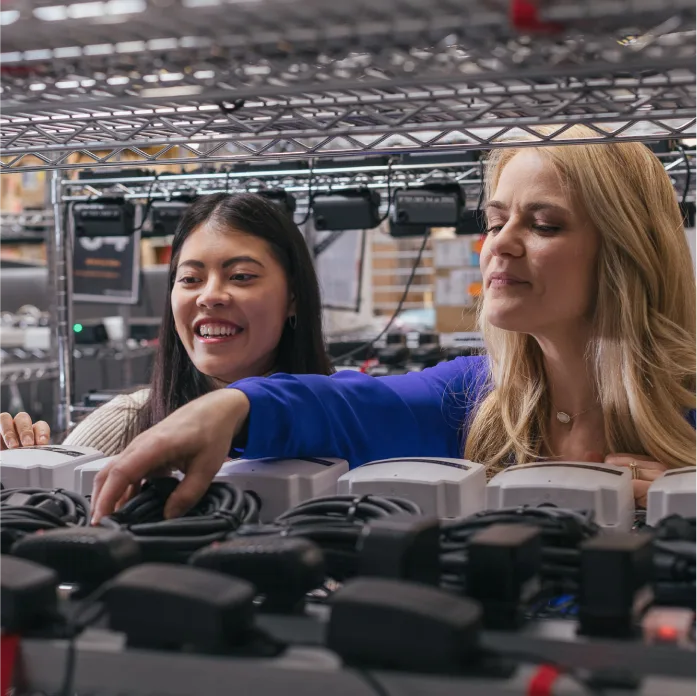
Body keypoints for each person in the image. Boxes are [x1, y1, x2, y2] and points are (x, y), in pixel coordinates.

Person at [90, 128, 697, 521]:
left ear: (624, 251)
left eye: (543, 225)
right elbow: (346, 403)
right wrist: (222, 409)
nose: (496, 247)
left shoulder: (684, 402)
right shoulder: (475, 397)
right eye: (495, 220)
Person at [0, 192, 332, 456]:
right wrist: (30, 475)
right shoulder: (127, 422)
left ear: (293, 297)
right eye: (190, 278)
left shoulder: (340, 417)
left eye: (241, 276)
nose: (209, 296)